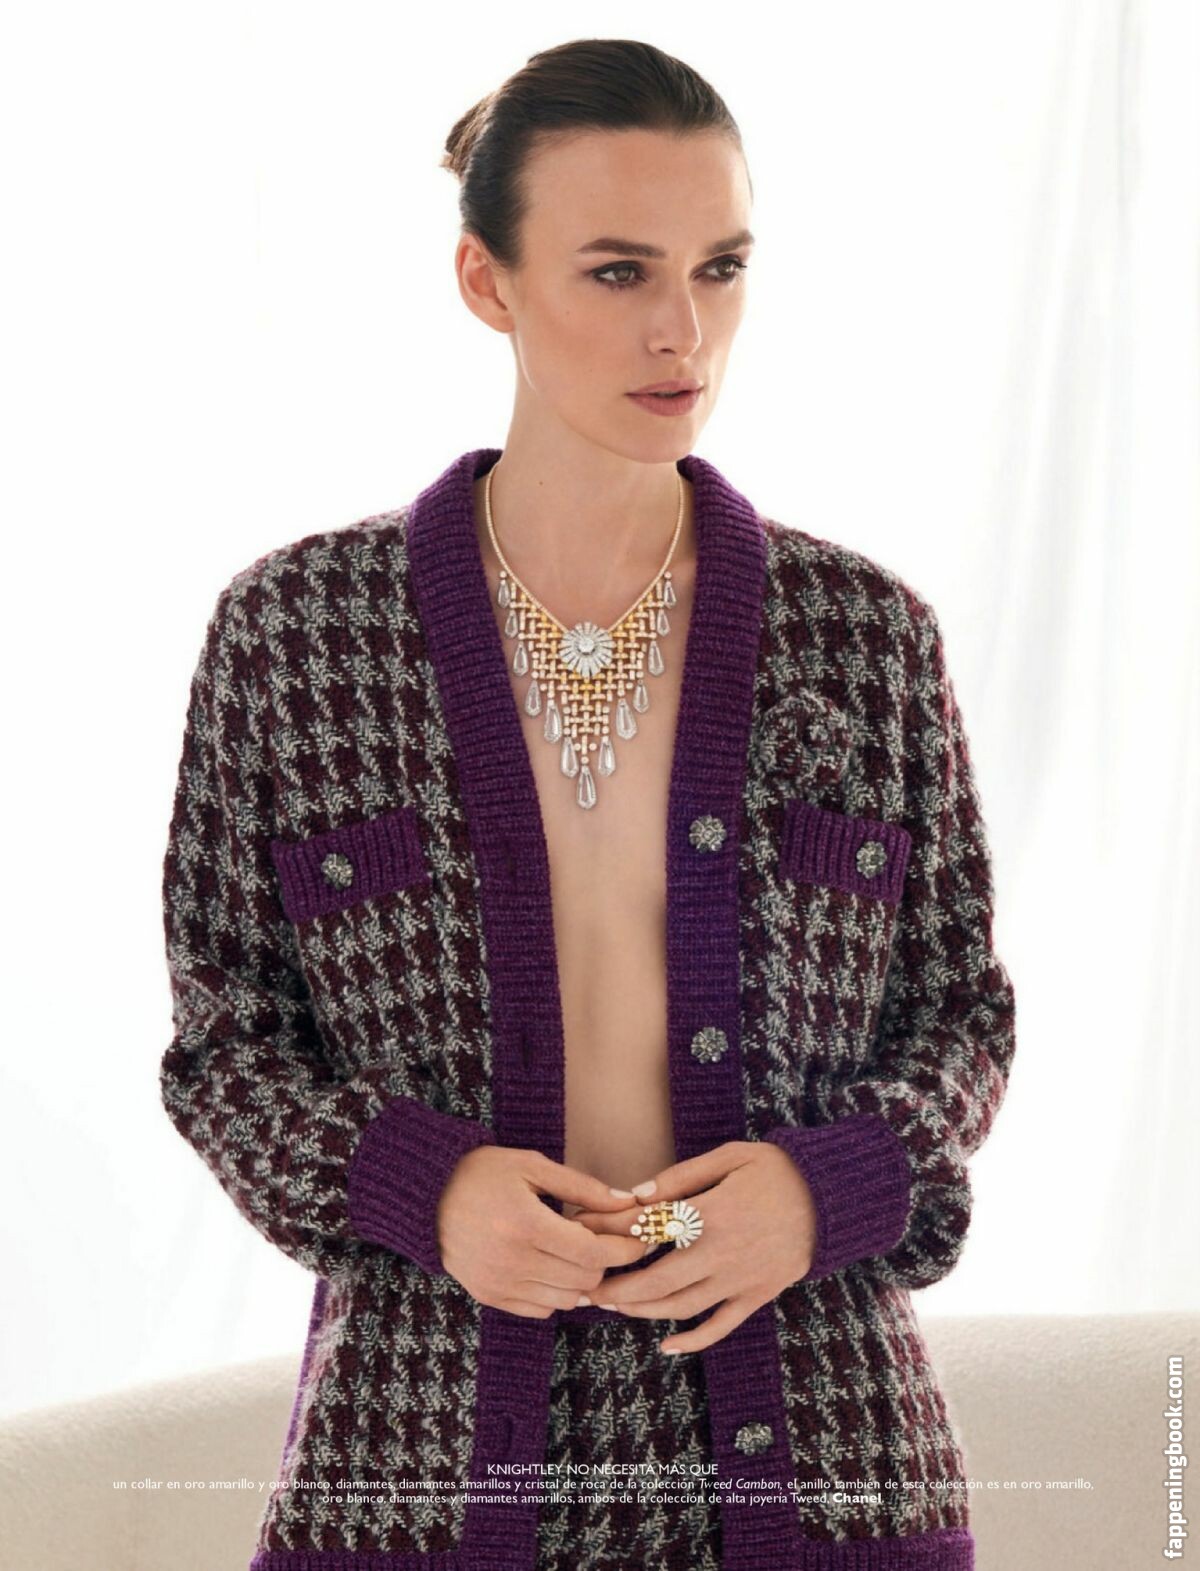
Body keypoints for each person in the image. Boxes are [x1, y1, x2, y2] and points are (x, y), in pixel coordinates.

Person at [160, 37, 1016, 1571]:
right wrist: (425, 1189)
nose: (683, 329)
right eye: (618, 272)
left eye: (720, 267)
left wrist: (824, 1191)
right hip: (419, 1458)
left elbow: (961, 1014)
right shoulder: (294, 636)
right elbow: (227, 1041)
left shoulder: (864, 638)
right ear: (486, 282)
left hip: (823, 1459)